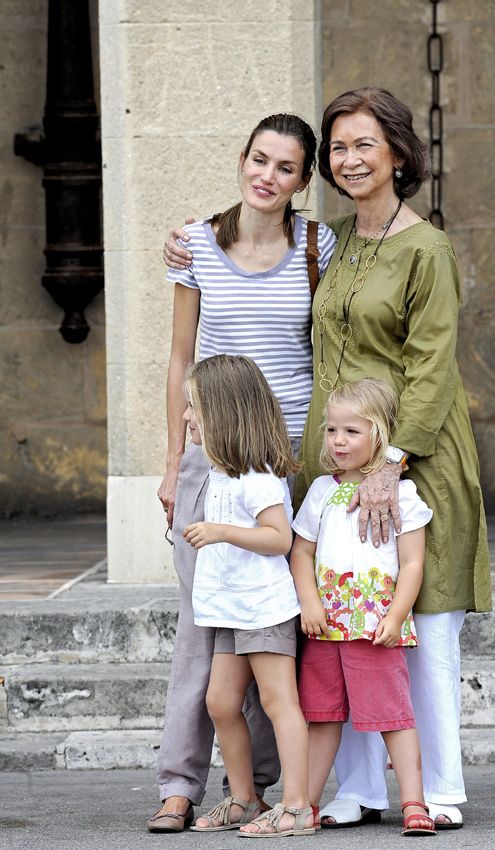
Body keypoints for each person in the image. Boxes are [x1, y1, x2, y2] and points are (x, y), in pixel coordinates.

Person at [163, 87, 492, 831]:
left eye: (364, 145)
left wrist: (393, 459)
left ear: (399, 155)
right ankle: (358, 787)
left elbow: (434, 365)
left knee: (422, 623)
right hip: (337, 464)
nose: (349, 159)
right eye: (339, 146)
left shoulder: (426, 247)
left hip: (412, 458)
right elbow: (245, 240)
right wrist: (182, 244)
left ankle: (435, 788)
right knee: (341, 624)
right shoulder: (337, 240)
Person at [148, 113, 336, 832]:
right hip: (211, 460)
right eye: (259, 160)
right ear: (242, 159)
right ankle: (178, 784)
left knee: (276, 634)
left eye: (285, 168)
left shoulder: (319, 245)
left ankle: (257, 787)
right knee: (205, 626)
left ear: (302, 181)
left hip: (289, 465)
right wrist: (173, 462)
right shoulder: (196, 244)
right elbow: (178, 358)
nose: (268, 176)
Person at [291, 377, 435, 837]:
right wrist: (309, 602)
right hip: (325, 625)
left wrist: (395, 616)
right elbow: (301, 554)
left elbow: (412, 563)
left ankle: (414, 804)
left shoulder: (403, 495)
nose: (338, 441)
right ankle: (304, 805)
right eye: (332, 430)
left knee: (394, 715)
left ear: (380, 432)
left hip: (374, 625)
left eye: (352, 431)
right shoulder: (319, 492)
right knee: (321, 715)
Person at [181, 355, 314, 837]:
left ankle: (297, 807)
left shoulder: (257, 477)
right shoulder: (218, 472)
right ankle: (243, 799)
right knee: (220, 702)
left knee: (280, 704)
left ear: (223, 412)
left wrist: (222, 532)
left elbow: (279, 538)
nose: (186, 417)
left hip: (263, 607)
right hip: (230, 610)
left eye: (193, 407)